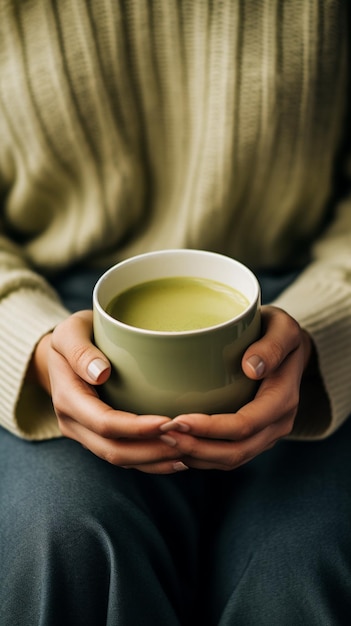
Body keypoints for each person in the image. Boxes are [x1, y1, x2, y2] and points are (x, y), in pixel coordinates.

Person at [1, 1, 351, 624]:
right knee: (63, 537)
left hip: (304, 313)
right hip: (53, 313)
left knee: (308, 560)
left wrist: (325, 328)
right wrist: (29, 341)